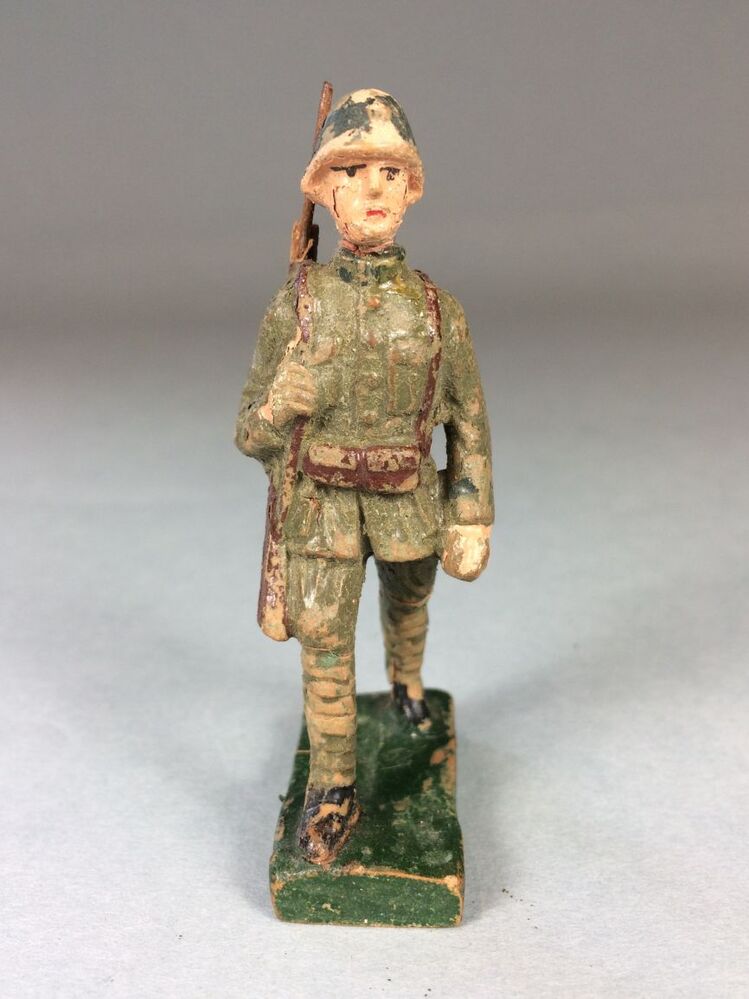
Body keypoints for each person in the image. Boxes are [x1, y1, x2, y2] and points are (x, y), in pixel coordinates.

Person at [235, 89, 493, 864]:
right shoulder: (296, 305)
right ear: (324, 191)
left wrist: (471, 513)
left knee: (409, 600)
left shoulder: (438, 311)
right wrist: (279, 404)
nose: (373, 186)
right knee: (323, 645)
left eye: (390, 171)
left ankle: (406, 684)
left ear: (411, 191)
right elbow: (247, 433)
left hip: (409, 501)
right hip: (320, 507)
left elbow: (468, 420)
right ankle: (333, 786)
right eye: (352, 171)